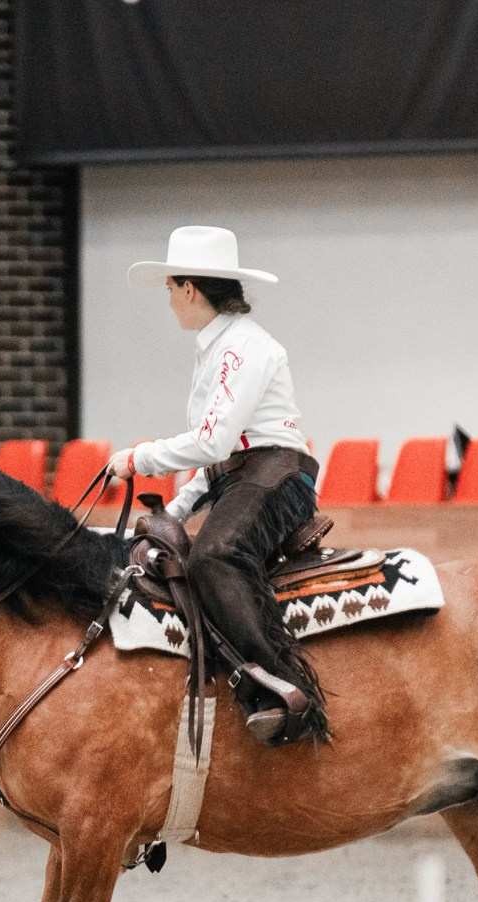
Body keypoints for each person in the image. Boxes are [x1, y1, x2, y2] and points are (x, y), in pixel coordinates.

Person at [107, 225, 326, 747]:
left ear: (188, 289)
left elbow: (212, 441)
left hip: (277, 476)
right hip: (244, 476)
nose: (170, 302)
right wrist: (177, 511)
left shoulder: (240, 349)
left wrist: (138, 457)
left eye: (170, 290)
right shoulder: (221, 348)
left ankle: (285, 690)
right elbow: (218, 459)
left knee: (215, 557)